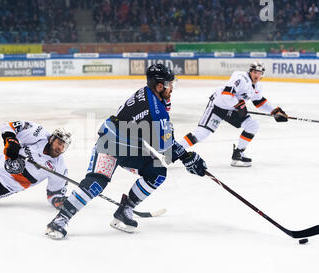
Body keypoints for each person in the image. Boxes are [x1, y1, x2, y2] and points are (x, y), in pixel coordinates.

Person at [45, 63, 208, 239]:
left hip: (131, 146)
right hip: (111, 143)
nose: (172, 88)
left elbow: (158, 136)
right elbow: (164, 147)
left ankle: (125, 210)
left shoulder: (149, 92)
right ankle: (60, 220)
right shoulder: (155, 109)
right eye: (169, 84)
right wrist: (188, 158)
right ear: (159, 86)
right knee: (96, 183)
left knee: (157, 172)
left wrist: (183, 155)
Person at [179, 61, 289, 167]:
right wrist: (239, 105)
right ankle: (173, 151)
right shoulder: (240, 77)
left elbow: (259, 102)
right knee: (201, 134)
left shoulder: (258, 87)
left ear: (262, 75)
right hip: (218, 106)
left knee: (253, 125)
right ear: (250, 72)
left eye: (259, 73)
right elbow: (226, 94)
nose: (257, 75)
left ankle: (238, 153)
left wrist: (274, 111)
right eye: (255, 72)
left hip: (232, 109)